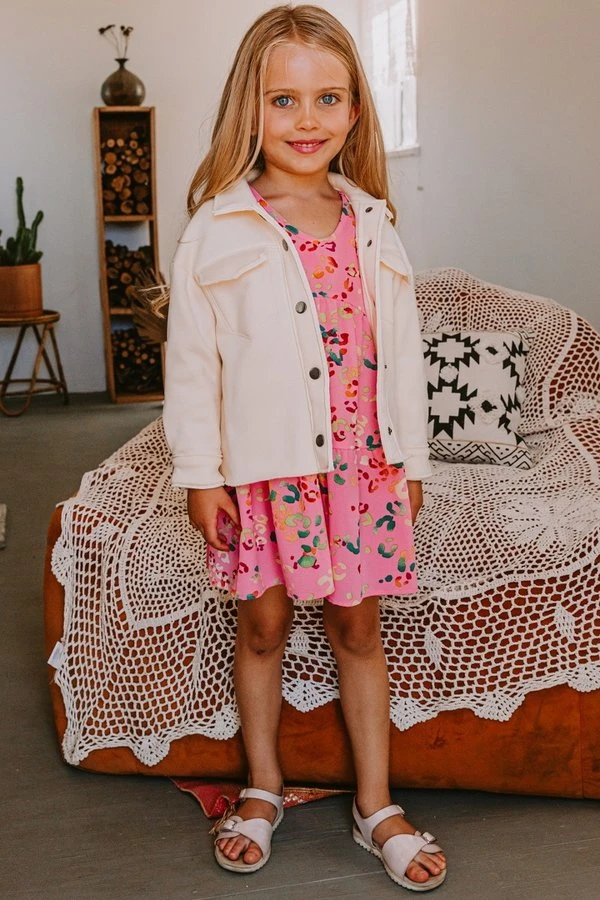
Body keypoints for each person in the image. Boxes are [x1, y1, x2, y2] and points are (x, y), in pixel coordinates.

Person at [163, 3, 446, 891]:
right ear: (249, 106)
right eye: (284, 99)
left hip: (360, 471)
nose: (307, 120)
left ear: (356, 110)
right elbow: (192, 365)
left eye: (328, 98)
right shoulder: (218, 227)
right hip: (266, 473)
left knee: (359, 629)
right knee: (263, 626)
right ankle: (263, 787)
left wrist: (412, 462)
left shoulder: (374, 221)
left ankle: (376, 805)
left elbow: (402, 355)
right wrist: (201, 476)